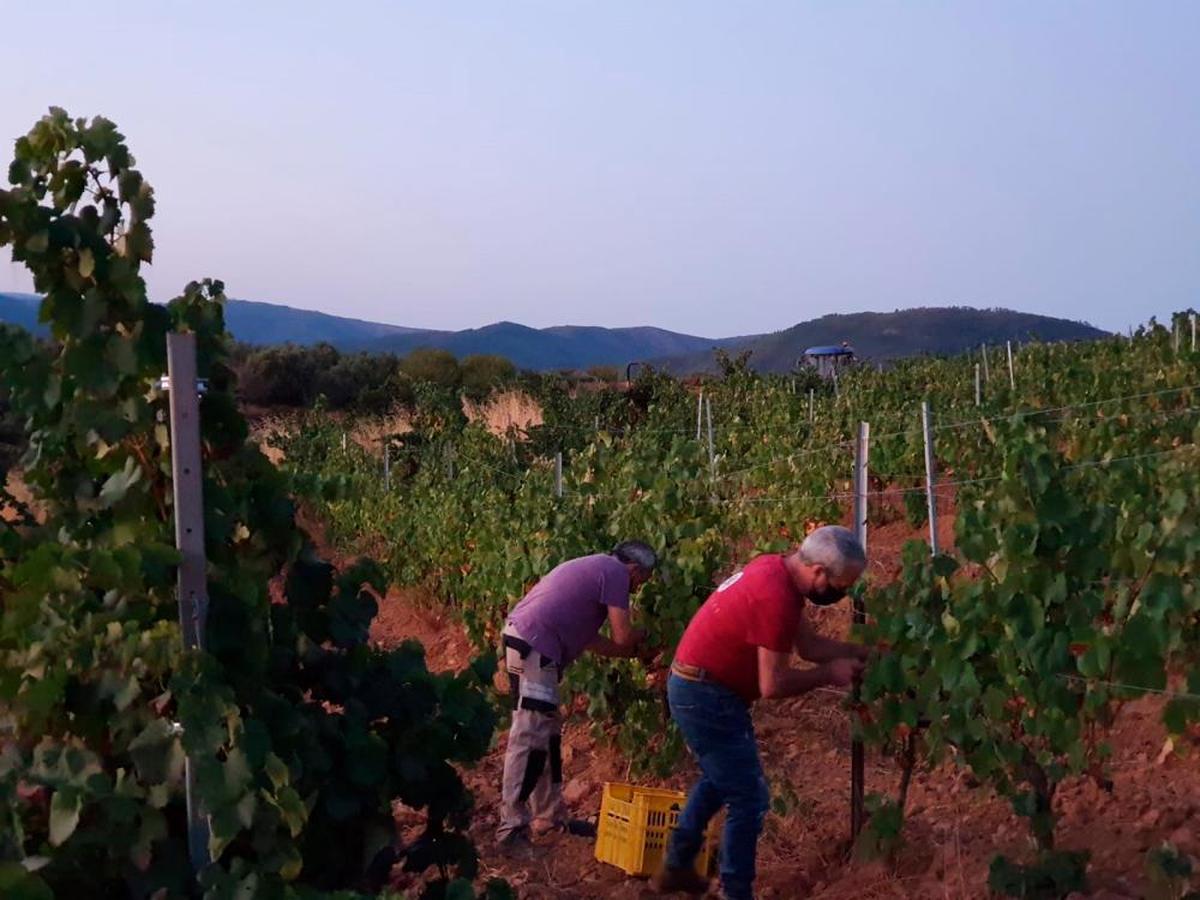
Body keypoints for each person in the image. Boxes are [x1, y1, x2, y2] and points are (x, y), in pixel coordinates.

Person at [652, 526, 869, 899]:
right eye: (840, 584)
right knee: (749, 797)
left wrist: (864, 652)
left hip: (699, 687)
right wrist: (829, 676)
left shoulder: (776, 569)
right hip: (704, 695)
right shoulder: (776, 598)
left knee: (721, 778)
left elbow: (810, 646)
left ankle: (676, 866)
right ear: (818, 572)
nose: (842, 593)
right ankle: (735, 891)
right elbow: (773, 686)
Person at [497, 540, 657, 856]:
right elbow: (623, 636)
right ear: (635, 570)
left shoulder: (595, 570)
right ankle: (510, 829)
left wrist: (635, 654)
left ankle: (549, 817)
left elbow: (596, 642)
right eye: (641, 582)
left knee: (548, 734)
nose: (636, 590)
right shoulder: (613, 572)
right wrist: (648, 638)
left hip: (528, 642)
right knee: (529, 735)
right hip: (535, 647)